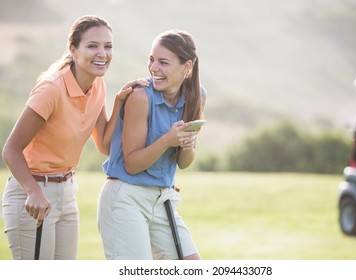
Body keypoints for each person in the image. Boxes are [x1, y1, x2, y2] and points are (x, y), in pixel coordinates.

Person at [1, 15, 148, 260]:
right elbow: (11, 150)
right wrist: (33, 191)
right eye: (92, 46)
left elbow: (103, 144)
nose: (102, 53)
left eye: (108, 46)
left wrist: (120, 104)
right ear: (73, 49)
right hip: (32, 195)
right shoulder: (52, 89)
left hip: (67, 192)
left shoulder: (98, 86)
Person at [98, 29, 207, 260]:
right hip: (125, 198)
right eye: (151, 60)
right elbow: (132, 165)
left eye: (163, 62)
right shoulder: (140, 97)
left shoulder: (197, 96)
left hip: (162, 198)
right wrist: (167, 140)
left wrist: (186, 142)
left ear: (186, 67)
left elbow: (184, 163)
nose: (153, 68)